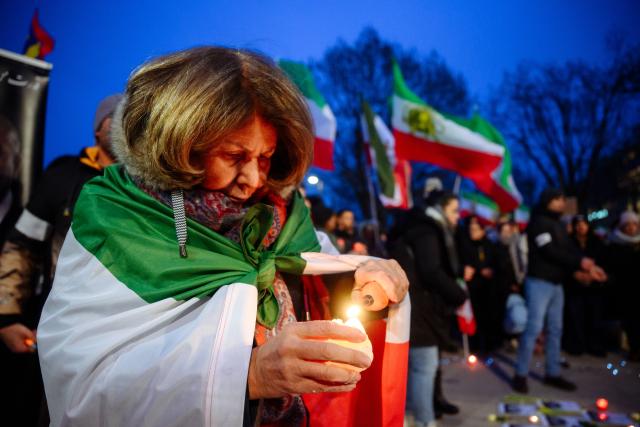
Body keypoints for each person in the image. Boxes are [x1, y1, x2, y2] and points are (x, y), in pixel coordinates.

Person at [36, 47, 409, 427]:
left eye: (266, 157)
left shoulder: (283, 216)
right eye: (234, 156)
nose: (254, 179)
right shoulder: (119, 219)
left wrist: (367, 283)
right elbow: (83, 389)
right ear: (182, 145)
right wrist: (249, 376)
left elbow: (320, 285)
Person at [0, 94, 121, 426]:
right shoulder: (64, 174)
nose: (124, 122)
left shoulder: (143, 187)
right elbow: (21, 245)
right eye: (116, 115)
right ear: (98, 129)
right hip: (49, 330)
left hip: (111, 338)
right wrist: (6, 319)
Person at [513, 189, 606, 393]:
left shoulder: (560, 225)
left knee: (556, 329)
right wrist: (580, 262)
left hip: (557, 284)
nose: (562, 202)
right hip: (539, 282)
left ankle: (552, 373)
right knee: (534, 328)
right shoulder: (538, 223)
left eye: (563, 199)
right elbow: (550, 251)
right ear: (548, 201)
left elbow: (569, 251)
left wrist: (589, 267)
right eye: (558, 199)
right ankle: (520, 374)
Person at [390, 191, 467, 427]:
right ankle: (424, 420)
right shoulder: (427, 230)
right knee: (425, 366)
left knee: (416, 366)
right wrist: (457, 293)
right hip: (420, 309)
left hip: (413, 306)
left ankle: (408, 415)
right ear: (441, 208)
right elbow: (431, 270)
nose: (458, 216)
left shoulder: (418, 227)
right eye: (454, 210)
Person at [563, 215, 608, 357]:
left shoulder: (597, 242)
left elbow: (603, 261)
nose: (581, 227)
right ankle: (577, 345)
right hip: (575, 285)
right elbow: (565, 261)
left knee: (595, 316)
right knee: (576, 316)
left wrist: (594, 275)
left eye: (583, 224)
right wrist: (576, 274)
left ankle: (595, 345)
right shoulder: (568, 242)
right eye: (578, 224)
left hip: (594, 286)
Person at [458, 215, 500, 354]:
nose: (473, 230)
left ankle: (489, 345)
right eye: (471, 228)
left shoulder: (490, 245)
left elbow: (497, 263)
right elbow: (462, 262)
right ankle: (473, 346)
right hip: (472, 288)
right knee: (473, 317)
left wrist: (491, 270)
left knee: (488, 317)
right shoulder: (464, 244)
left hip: (488, 288)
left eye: (476, 228)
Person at [607, 211, 640, 362]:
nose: (632, 228)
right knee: (630, 321)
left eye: (634, 224)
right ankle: (634, 349)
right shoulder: (615, 244)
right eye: (628, 225)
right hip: (625, 289)